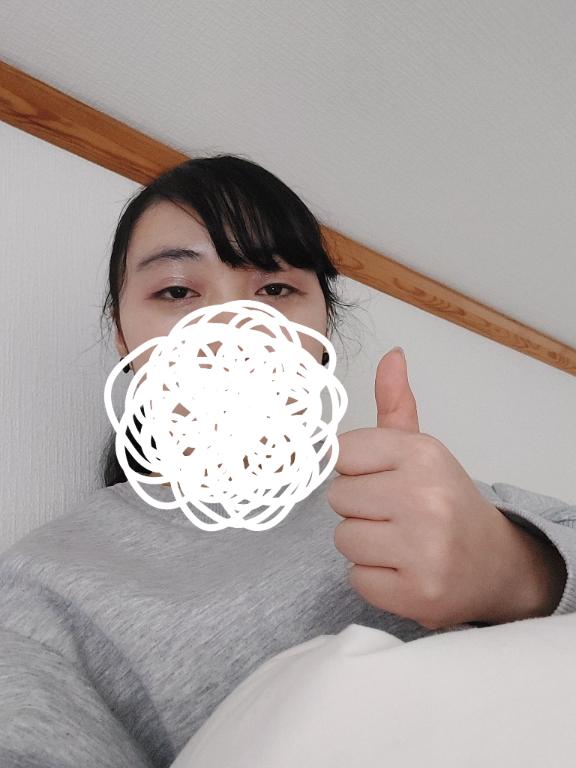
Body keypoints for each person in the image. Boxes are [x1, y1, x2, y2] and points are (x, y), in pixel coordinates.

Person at [1, 154, 575, 768]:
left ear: (323, 328)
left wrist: (520, 571)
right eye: (177, 291)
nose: (233, 325)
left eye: (275, 289)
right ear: (124, 337)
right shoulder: (44, 587)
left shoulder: (439, 495)